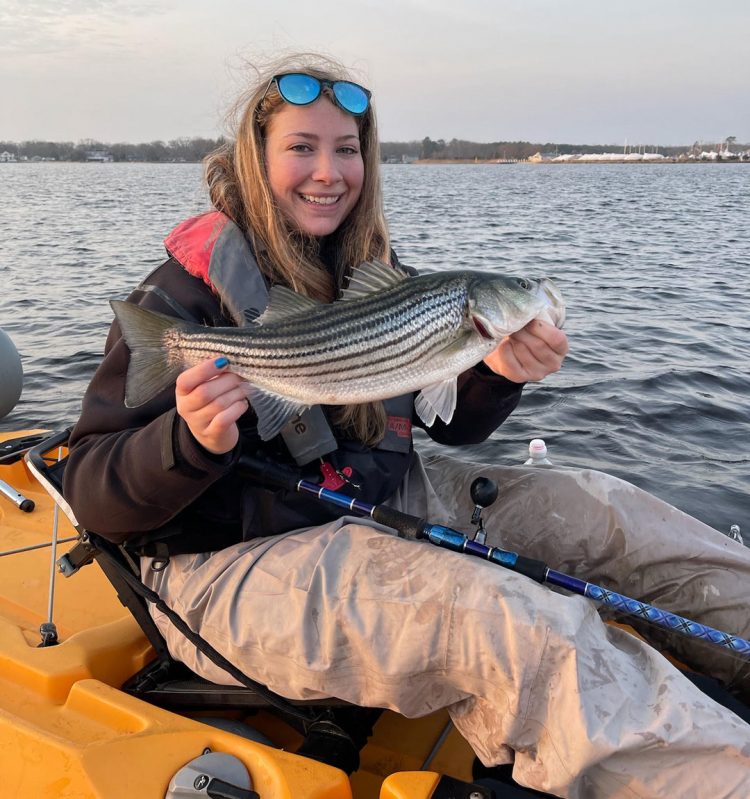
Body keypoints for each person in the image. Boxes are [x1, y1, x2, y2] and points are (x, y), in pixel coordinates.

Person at [64, 53, 750, 798]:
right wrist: (184, 441)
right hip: (227, 565)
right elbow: (92, 493)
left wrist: (496, 375)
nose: (328, 172)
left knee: (602, 511)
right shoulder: (179, 297)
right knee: (511, 622)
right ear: (254, 158)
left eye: (347, 149)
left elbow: (443, 422)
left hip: (383, 499)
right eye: (301, 147)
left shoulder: (375, 271)